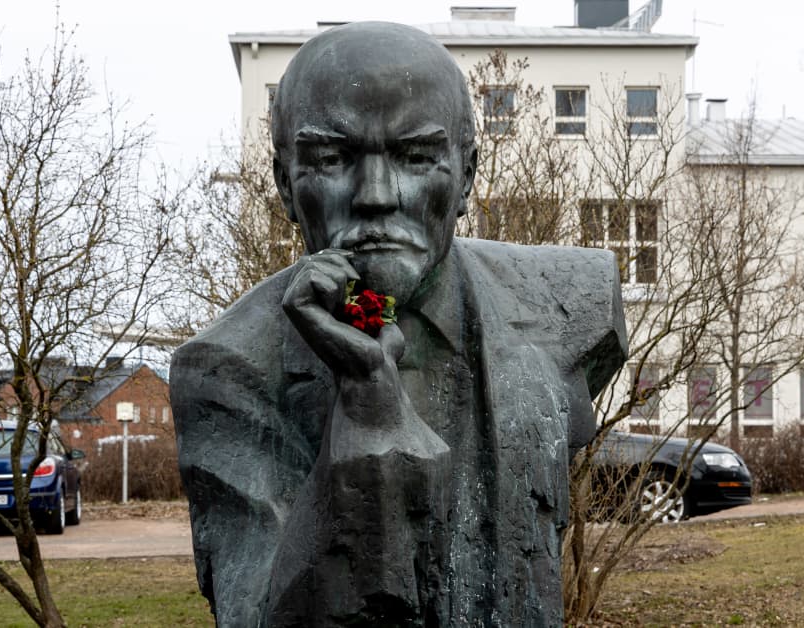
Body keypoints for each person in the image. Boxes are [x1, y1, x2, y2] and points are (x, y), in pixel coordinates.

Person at [172, 21, 627, 627]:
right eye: (332, 159)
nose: (376, 195)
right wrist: (365, 419)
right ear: (285, 185)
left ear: (465, 175)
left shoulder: (575, 303)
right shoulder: (225, 370)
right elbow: (260, 614)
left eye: (416, 156)